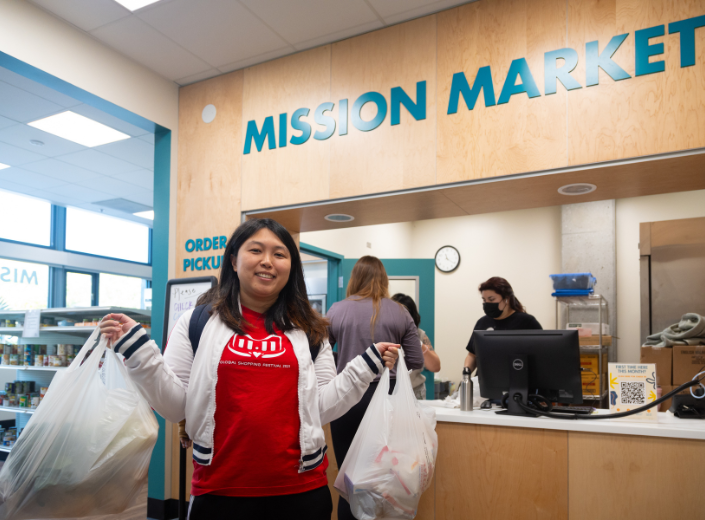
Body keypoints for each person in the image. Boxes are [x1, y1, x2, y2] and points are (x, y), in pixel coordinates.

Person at [99, 219, 399, 520]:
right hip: (219, 492)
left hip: (302, 491)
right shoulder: (197, 322)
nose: (267, 261)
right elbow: (177, 407)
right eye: (256, 250)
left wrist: (365, 364)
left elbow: (320, 409)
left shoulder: (310, 329)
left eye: (280, 254)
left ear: (291, 266)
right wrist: (137, 350)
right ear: (233, 259)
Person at [326, 256, 424, 520]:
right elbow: (416, 360)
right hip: (388, 401)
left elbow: (320, 355)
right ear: (383, 279)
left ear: (354, 279)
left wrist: (344, 358)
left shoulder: (336, 310)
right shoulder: (400, 312)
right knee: (388, 476)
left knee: (349, 476)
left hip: (347, 401)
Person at [464, 276, 542, 372]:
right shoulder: (482, 322)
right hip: (484, 383)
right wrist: (465, 375)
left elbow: (541, 356)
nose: (487, 303)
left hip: (517, 381)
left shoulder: (526, 322)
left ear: (506, 299)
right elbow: (472, 355)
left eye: (491, 299)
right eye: (484, 300)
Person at [391, 293, 441, 400]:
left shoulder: (419, 335)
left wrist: (416, 341)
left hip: (414, 392)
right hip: (389, 393)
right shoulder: (383, 333)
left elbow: (435, 366)